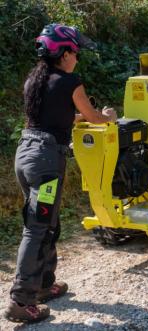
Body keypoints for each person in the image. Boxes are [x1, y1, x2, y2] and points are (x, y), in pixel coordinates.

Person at [4, 23, 117, 323]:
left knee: (46, 222)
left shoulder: (35, 80)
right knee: (38, 227)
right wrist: (106, 117)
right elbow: (92, 116)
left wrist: (79, 117)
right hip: (46, 164)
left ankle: (42, 285)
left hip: (25, 157)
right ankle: (20, 300)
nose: (78, 57)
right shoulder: (69, 82)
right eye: (76, 52)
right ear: (64, 53)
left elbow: (59, 114)